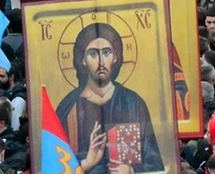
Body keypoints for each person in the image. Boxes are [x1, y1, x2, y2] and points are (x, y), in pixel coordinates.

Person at [56, 23, 164, 174]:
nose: (101, 61)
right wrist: (87, 163)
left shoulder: (133, 103)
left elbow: (155, 162)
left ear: (115, 57)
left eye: (107, 52)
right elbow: (54, 165)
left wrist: (131, 170)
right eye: (93, 54)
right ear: (82, 60)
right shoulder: (68, 108)